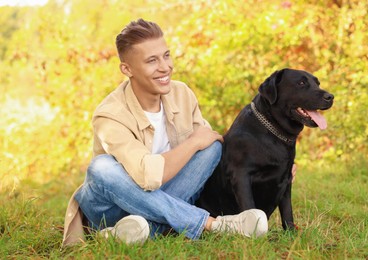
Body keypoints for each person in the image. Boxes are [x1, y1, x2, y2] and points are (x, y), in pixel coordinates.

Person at [62, 18, 268, 247]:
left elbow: (214, 146)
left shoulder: (182, 93)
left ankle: (126, 234)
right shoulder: (109, 115)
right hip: (111, 209)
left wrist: (272, 166)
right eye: (152, 60)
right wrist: (192, 144)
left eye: (166, 55)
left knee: (212, 149)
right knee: (101, 168)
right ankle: (213, 225)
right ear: (127, 69)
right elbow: (148, 177)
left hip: (165, 197)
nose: (165, 67)